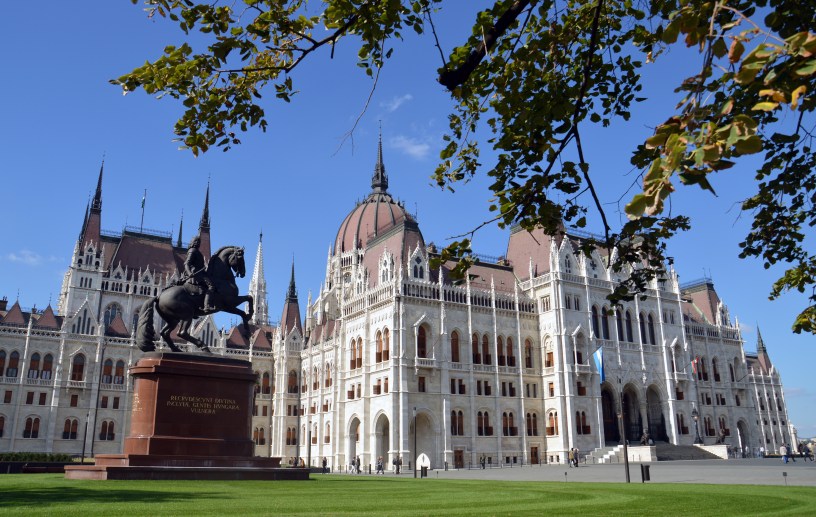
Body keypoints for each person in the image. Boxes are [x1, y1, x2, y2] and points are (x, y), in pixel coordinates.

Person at [184, 235, 216, 311]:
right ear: (192, 242)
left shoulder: (196, 251)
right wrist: (189, 273)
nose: (197, 243)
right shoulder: (192, 251)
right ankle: (206, 306)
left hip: (200, 273)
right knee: (211, 286)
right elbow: (186, 263)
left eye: (198, 242)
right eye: (195, 241)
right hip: (197, 274)